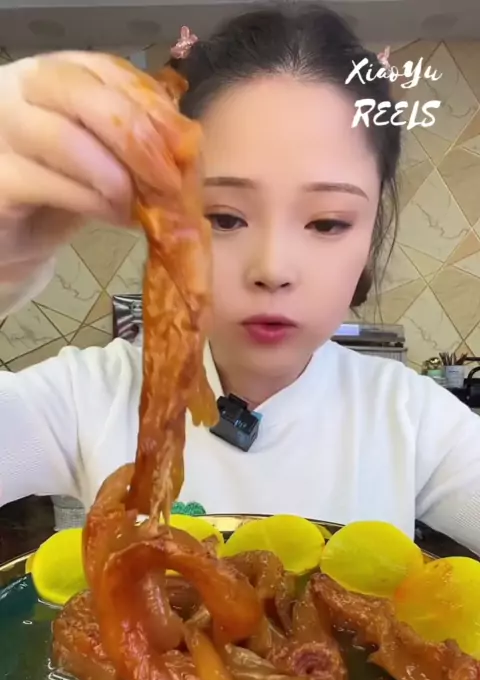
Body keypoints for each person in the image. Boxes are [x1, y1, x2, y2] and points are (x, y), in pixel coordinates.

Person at [0, 4, 480, 555]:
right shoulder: (90, 396)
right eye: (225, 218)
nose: (272, 269)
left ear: (370, 232)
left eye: (327, 222)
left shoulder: (413, 420)